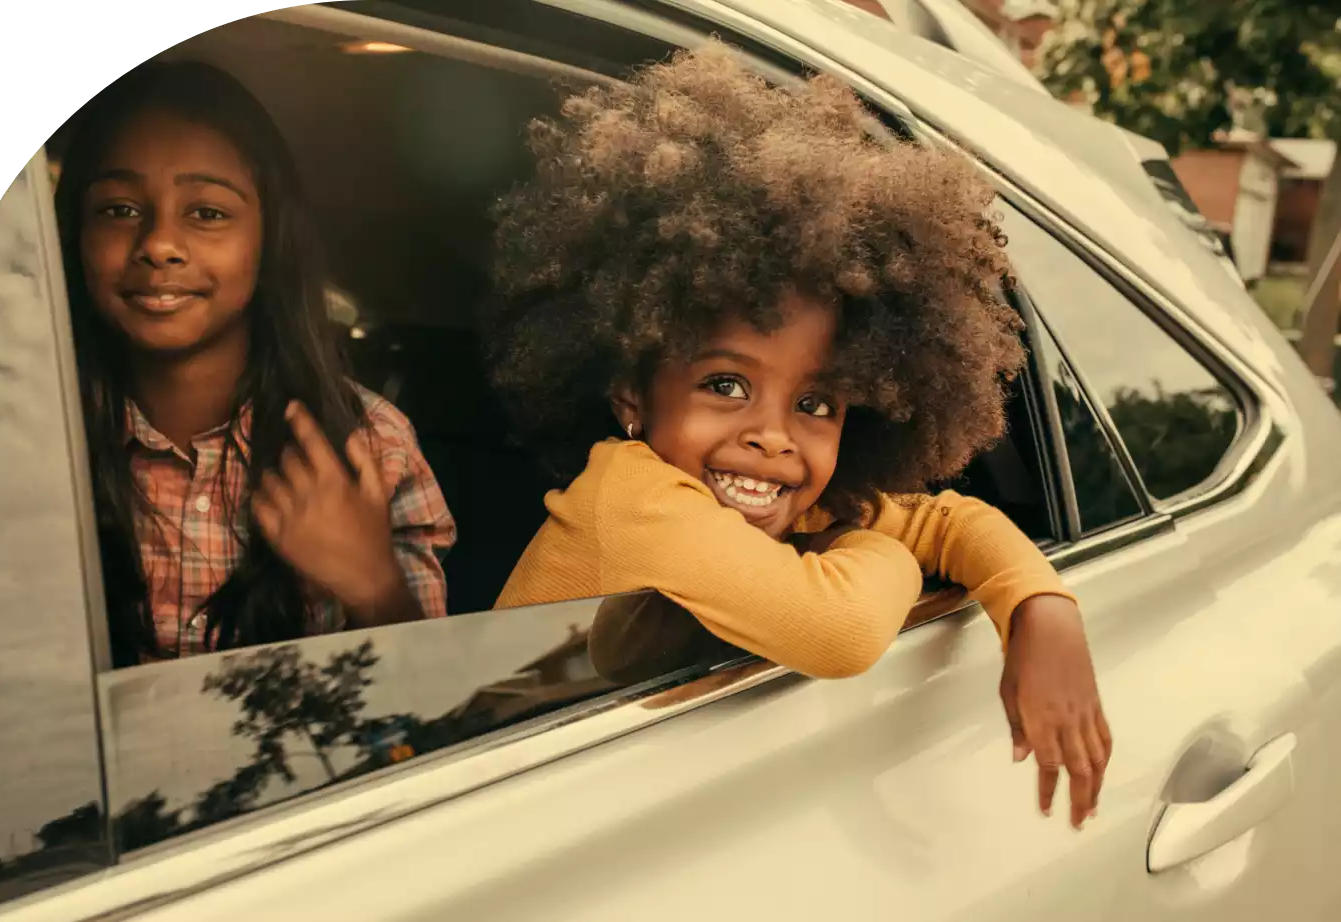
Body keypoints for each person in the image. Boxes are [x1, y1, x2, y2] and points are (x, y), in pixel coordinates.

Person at [485, 44, 1108, 828]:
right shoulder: (631, 496)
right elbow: (840, 630)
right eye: (725, 386)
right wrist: (872, 546)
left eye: (818, 404)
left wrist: (1040, 606)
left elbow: (947, 519)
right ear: (631, 396)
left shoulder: (777, 497)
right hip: (502, 811)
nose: (773, 437)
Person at [54, 60, 456, 668]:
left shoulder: (369, 446)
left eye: (207, 212)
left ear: (268, 242)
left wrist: (373, 583)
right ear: (75, 234)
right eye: (119, 209)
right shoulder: (22, 432)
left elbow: (431, 704)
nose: (159, 243)